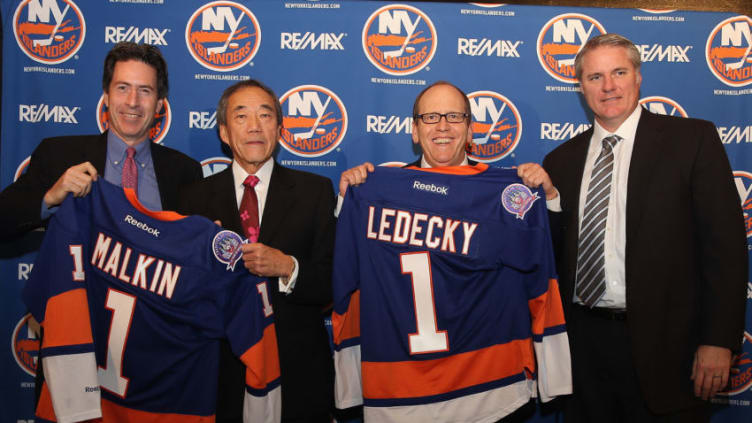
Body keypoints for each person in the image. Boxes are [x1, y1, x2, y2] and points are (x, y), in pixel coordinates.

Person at [518, 33, 747, 422]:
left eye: (619, 72)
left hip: (669, 349)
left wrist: (718, 341)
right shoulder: (561, 159)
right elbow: (552, 256)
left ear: (638, 77)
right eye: (595, 77)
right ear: (580, 86)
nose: (608, 86)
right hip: (584, 349)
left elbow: (724, 249)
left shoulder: (692, 141)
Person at [177, 79, 336, 423]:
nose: (254, 126)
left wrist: (288, 267)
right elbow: (177, 291)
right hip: (220, 370)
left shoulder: (315, 192)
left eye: (265, 116)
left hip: (297, 371)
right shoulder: (192, 199)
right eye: (241, 116)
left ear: (279, 130)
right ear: (223, 131)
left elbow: (333, 281)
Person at [0, 42, 201, 241]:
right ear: (106, 97)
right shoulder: (57, 155)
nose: (132, 101)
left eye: (145, 91)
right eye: (122, 88)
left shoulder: (185, 172)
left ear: (159, 104)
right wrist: (50, 198)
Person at [338, 81, 474, 196]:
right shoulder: (388, 189)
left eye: (454, 116)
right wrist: (349, 199)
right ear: (415, 131)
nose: (443, 126)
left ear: (469, 130)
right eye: (431, 117)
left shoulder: (495, 191)